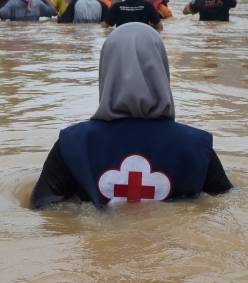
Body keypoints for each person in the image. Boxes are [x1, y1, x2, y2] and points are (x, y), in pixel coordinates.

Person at [31, 23, 233, 209]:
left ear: (106, 68)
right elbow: (229, 203)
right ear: (162, 68)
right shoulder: (197, 146)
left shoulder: (72, 144)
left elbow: (43, 208)